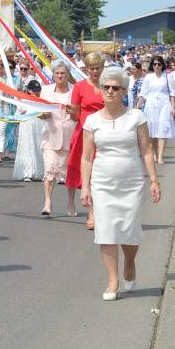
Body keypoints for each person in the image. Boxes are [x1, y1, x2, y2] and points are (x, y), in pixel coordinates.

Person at [80, 67, 161, 301]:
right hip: (103, 182)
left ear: (124, 91)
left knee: (130, 229)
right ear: (101, 89)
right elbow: (86, 158)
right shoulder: (92, 120)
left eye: (116, 88)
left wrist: (154, 180)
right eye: (106, 87)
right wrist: (85, 186)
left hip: (132, 181)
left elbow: (146, 150)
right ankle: (113, 281)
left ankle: (130, 261)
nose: (110, 91)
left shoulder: (136, 116)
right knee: (106, 230)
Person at [66, 52, 106, 230]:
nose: (95, 72)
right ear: (86, 69)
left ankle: (103, 210)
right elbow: (76, 116)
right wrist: (71, 112)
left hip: (105, 133)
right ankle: (92, 211)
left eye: (98, 68)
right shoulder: (79, 87)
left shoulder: (109, 85)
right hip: (85, 133)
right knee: (88, 172)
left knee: (103, 172)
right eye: (92, 68)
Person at [38, 61, 76, 216]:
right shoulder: (46, 90)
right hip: (50, 137)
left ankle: (71, 204)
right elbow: (40, 112)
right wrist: (44, 114)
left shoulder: (75, 90)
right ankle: (48, 201)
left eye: (63, 73)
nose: (60, 76)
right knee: (49, 169)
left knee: (70, 172)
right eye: (57, 73)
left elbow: (79, 114)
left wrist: (72, 111)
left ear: (68, 74)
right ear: (52, 75)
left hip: (71, 136)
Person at [136, 55, 175, 165]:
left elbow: (172, 93)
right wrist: (137, 107)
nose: (157, 66)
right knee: (152, 131)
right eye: (154, 64)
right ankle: (154, 153)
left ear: (162, 65)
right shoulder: (148, 77)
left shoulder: (168, 77)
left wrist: (173, 107)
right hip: (151, 103)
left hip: (164, 103)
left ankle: (161, 155)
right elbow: (143, 93)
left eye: (159, 64)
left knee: (163, 129)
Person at [12, 80, 45, 183]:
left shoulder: (42, 101)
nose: (36, 93)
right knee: (27, 148)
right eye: (34, 91)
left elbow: (45, 114)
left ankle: (38, 172)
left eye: (38, 90)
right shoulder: (23, 102)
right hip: (26, 128)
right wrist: (22, 113)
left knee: (38, 148)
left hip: (39, 127)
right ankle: (27, 173)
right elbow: (17, 116)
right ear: (29, 90)